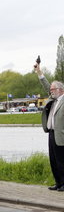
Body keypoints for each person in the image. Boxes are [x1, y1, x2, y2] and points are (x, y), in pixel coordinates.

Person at [35, 62, 64, 191]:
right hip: (51, 133)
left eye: (53, 90)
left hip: (61, 135)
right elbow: (46, 85)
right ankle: (58, 183)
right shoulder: (54, 99)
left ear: (60, 90)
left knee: (61, 160)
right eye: (51, 90)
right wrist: (39, 72)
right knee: (53, 160)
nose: (50, 91)